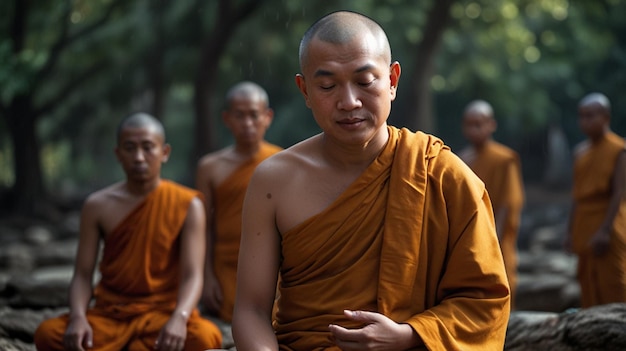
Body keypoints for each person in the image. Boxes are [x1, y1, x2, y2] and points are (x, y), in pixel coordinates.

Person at [232, 10, 510, 351]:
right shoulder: (273, 181)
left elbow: (485, 302)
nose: (349, 102)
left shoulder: (442, 174)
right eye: (327, 85)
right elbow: (250, 310)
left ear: (392, 81)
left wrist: (410, 336)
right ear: (304, 89)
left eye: (365, 82)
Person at [34, 113, 222, 351]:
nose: (139, 158)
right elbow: (82, 274)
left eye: (148, 148)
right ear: (118, 154)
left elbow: (193, 275)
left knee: (205, 337)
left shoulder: (188, 204)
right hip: (111, 314)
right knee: (48, 334)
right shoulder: (97, 206)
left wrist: (180, 317)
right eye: (130, 148)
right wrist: (78, 317)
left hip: (162, 314)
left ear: (164, 153)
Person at [195, 81, 282, 323]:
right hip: (227, 266)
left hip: (272, 265)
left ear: (267, 117)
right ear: (226, 119)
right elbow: (203, 226)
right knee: (240, 316)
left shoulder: (282, 161)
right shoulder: (210, 168)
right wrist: (207, 276)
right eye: (239, 116)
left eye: (254, 115)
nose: (247, 124)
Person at [458, 99, 525, 308]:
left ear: (491, 125)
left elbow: (510, 201)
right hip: (467, 237)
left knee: (500, 286)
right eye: (470, 124)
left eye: (480, 123)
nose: (475, 129)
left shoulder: (505, 159)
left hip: (496, 237)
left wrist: (492, 235)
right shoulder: (461, 159)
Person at [566, 92, 626, 308]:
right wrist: (570, 231)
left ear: (606, 117)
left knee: (615, 284)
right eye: (582, 116)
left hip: (608, 221)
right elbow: (576, 195)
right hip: (584, 222)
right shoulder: (580, 153)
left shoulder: (619, 149)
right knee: (587, 283)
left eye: (591, 115)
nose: (585, 121)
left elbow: (619, 192)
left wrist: (605, 230)